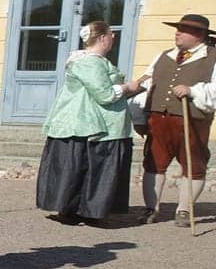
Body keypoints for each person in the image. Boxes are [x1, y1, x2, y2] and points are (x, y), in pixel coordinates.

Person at [36, 21, 135, 225]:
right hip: (88, 122)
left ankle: (82, 210)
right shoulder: (89, 62)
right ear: (101, 38)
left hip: (94, 123)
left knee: (84, 166)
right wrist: (127, 88)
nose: (113, 38)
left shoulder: (94, 61)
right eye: (111, 34)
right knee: (87, 166)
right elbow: (104, 94)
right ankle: (85, 211)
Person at [127, 13, 216, 227]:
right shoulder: (164, 55)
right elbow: (147, 82)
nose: (177, 33)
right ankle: (151, 208)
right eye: (178, 28)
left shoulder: (212, 56)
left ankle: (185, 210)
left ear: (199, 35)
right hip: (158, 118)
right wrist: (137, 112)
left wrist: (193, 91)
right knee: (153, 163)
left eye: (184, 30)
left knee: (193, 165)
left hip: (192, 120)